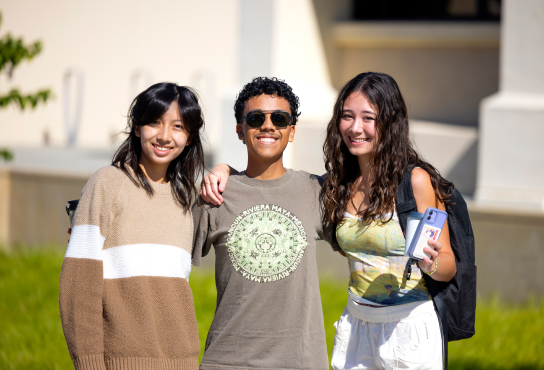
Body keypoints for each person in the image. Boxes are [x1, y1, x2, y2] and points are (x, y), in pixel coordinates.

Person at [192, 77, 340, 370]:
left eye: (280, 119)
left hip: (300, 361)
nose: (268, 125)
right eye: (256, 118)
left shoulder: (316, 191)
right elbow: (170, 262)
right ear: (239, 130)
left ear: (292, 131)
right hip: (228, 360)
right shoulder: (215, 192)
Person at [59, 82, 204, 369]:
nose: (164, 136)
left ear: (189, 138)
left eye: (177, 126)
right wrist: (88, 364)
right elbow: (79, 286)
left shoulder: (186, 200)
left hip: (182, 363)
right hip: (120, 362)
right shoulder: (107, 183)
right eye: (154, 122)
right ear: (137, 128)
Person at [321, 72, 456, 370]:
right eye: (347, 116)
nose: (356, 128)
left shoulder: (416, 182)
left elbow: (447, 266)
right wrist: (225, 169)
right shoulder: (339, 183)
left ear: (390, 123)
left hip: (409, 329)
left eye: (368, 118)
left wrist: (429, 263)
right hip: (356, 324)